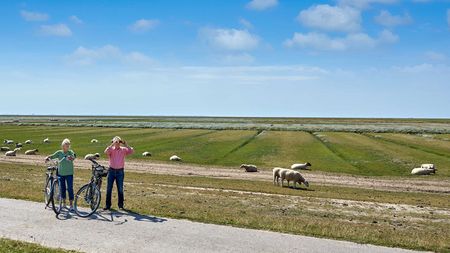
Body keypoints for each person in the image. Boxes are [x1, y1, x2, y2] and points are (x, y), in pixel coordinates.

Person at [45, 138, 76, 211]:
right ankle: (64, 203)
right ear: (62, 146)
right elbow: (52, 156)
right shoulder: (59, 152)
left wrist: (71, 158)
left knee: (70, 188)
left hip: (69, 173)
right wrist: (47, 157)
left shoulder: (70, 152)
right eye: (66, 145)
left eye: (68, 145)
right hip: (61, 173)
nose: (67, 147)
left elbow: (73, 157)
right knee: (62, 188)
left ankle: (71, 204)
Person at [104, 136, 134, 210]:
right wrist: (112, 144)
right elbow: (105, 152)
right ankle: (108, 205)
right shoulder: (111, 149)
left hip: (120, 171)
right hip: (111, 171)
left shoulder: (123, 150)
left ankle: (120, 205)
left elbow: (131, 151)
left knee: (120, 189)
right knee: (109, 189)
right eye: (116, 142)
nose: (117, 143)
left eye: (118, 142)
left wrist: (126, 144)